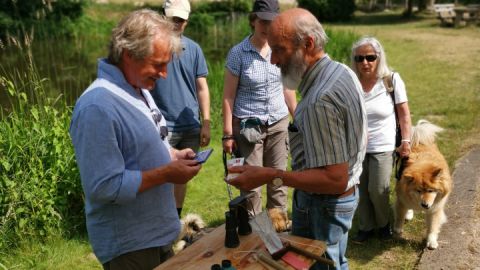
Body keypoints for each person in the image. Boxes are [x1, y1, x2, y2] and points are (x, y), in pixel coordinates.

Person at [227, 8, 367, 270]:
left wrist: (269, 175)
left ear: (308, 45)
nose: (273, 61)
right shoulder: (342, 72)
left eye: (279, 50)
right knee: (334, 261)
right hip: (340, 200)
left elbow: (334, 180)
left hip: (324, 206)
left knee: (322, 266)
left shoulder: (320, 100)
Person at [69, 9, 202, 269]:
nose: (164, 74)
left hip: (157, 234)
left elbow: (141, 148)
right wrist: (166, 173)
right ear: (128, 54)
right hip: (130, 245)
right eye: (158, 64)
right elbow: (104, 186)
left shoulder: (137, 88)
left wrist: (173, 155)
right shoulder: (97, 106)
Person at [222, 0, 297, 216]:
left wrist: (298, 118)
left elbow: (288, 90)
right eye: (262, 21)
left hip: (278, 122)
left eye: (271, 22)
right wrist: (227, 134)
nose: (266, 26)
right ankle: (254, 234)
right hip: (248, 126)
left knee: (278, 179)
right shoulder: (238, 53)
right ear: (253, 20)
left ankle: (279, 229)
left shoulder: (281, 48)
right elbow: (228, 96)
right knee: (251, 184)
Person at [151, 0, 211, 218]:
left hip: (191, 125)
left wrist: (206, 121)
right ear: (164, 16)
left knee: (183, 176)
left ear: (186, 21)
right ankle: (161, 219)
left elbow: (202, 88)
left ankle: (175, 217)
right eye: (172, 18)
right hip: (162, 125)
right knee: (162, 176)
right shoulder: (152, 46)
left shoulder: (194, 49)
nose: (176, 23)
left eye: (181, 20)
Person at [350, 36, 412, 243]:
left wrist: (406, 141)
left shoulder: (391, 80)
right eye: (359, 58)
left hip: (383, 146)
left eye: (370, 57)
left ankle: (384, 224)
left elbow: (404, 114)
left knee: (378, 189)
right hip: (355, 146)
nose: (365, 63)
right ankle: (366, 227)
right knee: (360, 189)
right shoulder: (350, 81)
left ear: (379, 57)